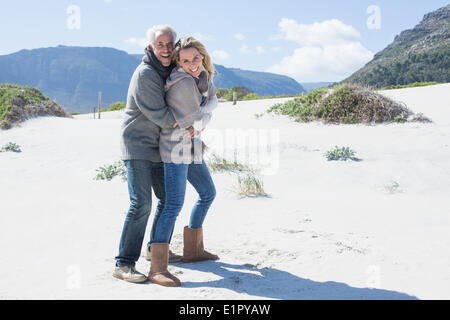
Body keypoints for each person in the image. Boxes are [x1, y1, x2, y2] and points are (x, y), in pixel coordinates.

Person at [148, 37, 219, 287]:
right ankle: (157, 267)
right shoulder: (181, 83)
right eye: (186, 60)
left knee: (208, 193)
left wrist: (205, 115)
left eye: (196, 59)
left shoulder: (202, 79)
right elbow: (198, 118)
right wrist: (206, 114)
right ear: (178, 62)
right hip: (175, 147)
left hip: (192, 146)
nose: (192, 65)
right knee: (173, 204)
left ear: (203, 57)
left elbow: (211, 103)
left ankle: (194, 250)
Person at [113, 25, 182, 283]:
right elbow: (162, 115)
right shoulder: (146, 73)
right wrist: (190, 123)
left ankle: (156, 249)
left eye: (169, 44)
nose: (165, 48)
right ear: (151, 46)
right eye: (160, 44)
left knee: (168, 199)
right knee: (141, 203)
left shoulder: (168, 71)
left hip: (159, 146)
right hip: (138, 145)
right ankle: (123, 263)